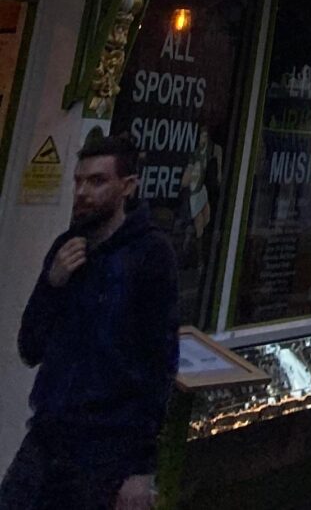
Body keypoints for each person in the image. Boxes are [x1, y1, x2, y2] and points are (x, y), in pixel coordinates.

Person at [2, 133, 179, 510]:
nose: (82, 192)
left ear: (127, 187)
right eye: (79, 181)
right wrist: (53, 284)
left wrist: (141, 468)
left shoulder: (150, 254)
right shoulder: (67, 247)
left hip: (106, 452)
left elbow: (158, 363)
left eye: (97, 182)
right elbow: (29, 347)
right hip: (47, 437)